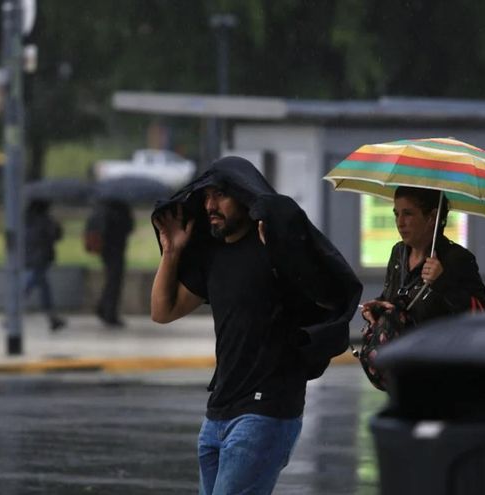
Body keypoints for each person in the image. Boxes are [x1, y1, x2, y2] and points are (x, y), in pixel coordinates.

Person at [150, 156, 362, 495]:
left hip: (266, 410)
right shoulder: (213, 256)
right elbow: (163, 311)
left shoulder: (274, 247)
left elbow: (327, 295)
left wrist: (285, 252)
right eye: (206, 197)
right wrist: (171, 253)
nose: (210, 205)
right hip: (218, 413)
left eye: (220, 195)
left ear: (243, 195)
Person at [360, 186, 485, 329]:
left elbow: (481, 314)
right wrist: (377, 308)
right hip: (398, 349)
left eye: (408, 214)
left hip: (435, 349)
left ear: (432, 217)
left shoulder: (456, 258)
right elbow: (392, 300)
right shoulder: (398, 252)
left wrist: (442, 282)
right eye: (396, 214)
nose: (400, 223)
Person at [85, 199, 134, 327]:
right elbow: (129, 227)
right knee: (114, 282)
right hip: (116, 249)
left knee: (111, 280)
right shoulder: (121, 210)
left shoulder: (100, 208)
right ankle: (108, 313)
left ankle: (103, 308)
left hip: (106, 250)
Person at [24, 200, 66, 331]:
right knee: (33, 285)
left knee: (42, 286)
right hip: (42, 257)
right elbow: (56, 235)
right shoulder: (46, 220)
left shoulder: (26, 219)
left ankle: (52, 317)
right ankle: (12, 314)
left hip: (29, 256)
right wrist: (57, 225)